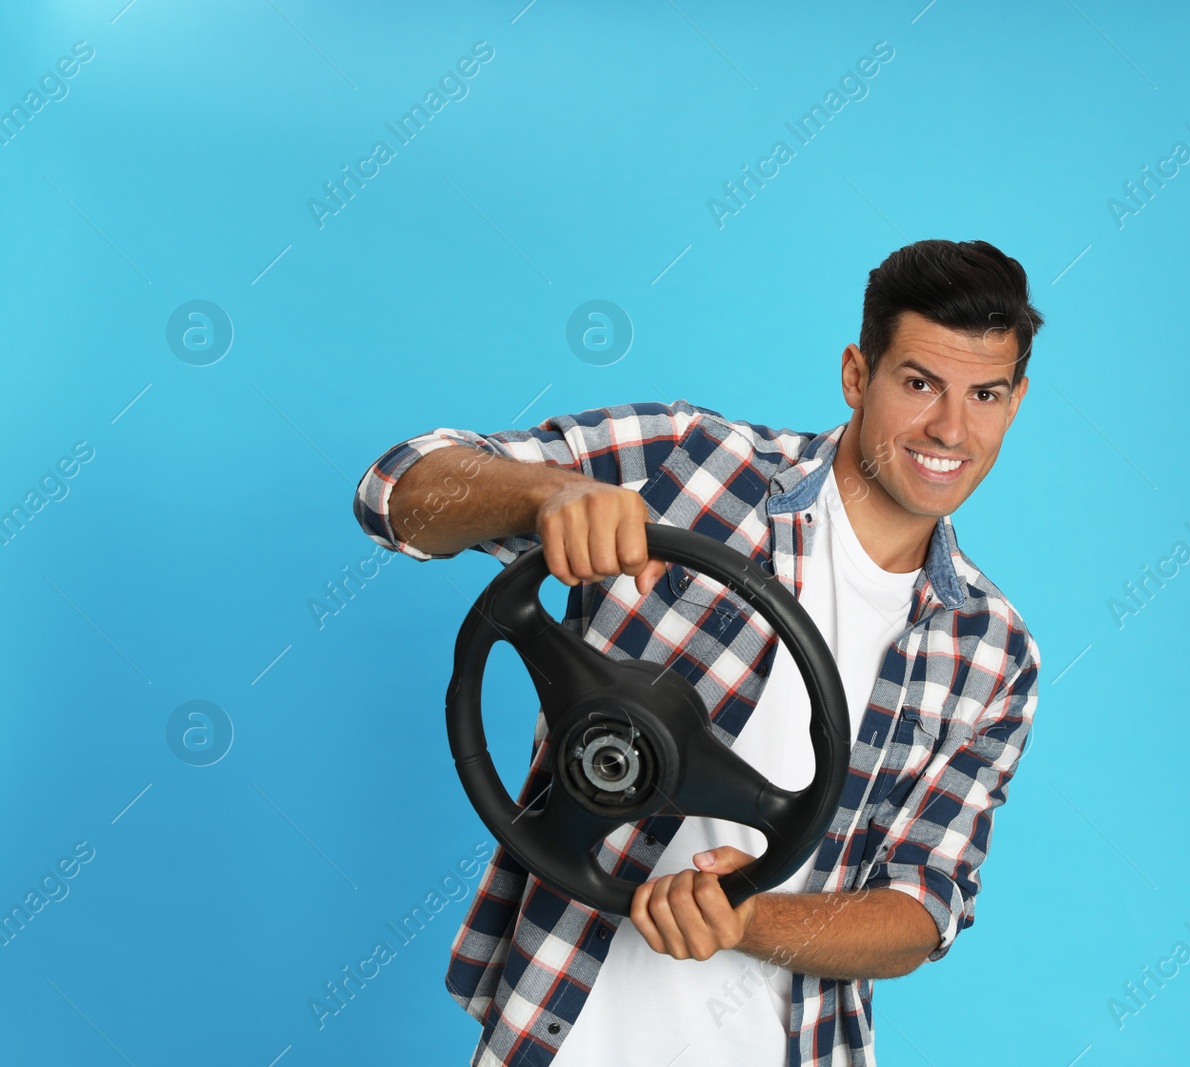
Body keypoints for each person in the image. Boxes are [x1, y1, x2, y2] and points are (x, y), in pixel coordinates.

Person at [351, 238, 1044, 1067]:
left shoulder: (994, 653)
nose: (950, 429)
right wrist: (549, 495)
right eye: (919, 383)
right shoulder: (692, 464)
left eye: (986, 394)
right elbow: (396, 490)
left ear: (1017, 401)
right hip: (557, 1031)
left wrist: (744, 917)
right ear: (858, 375)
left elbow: (922, 908)